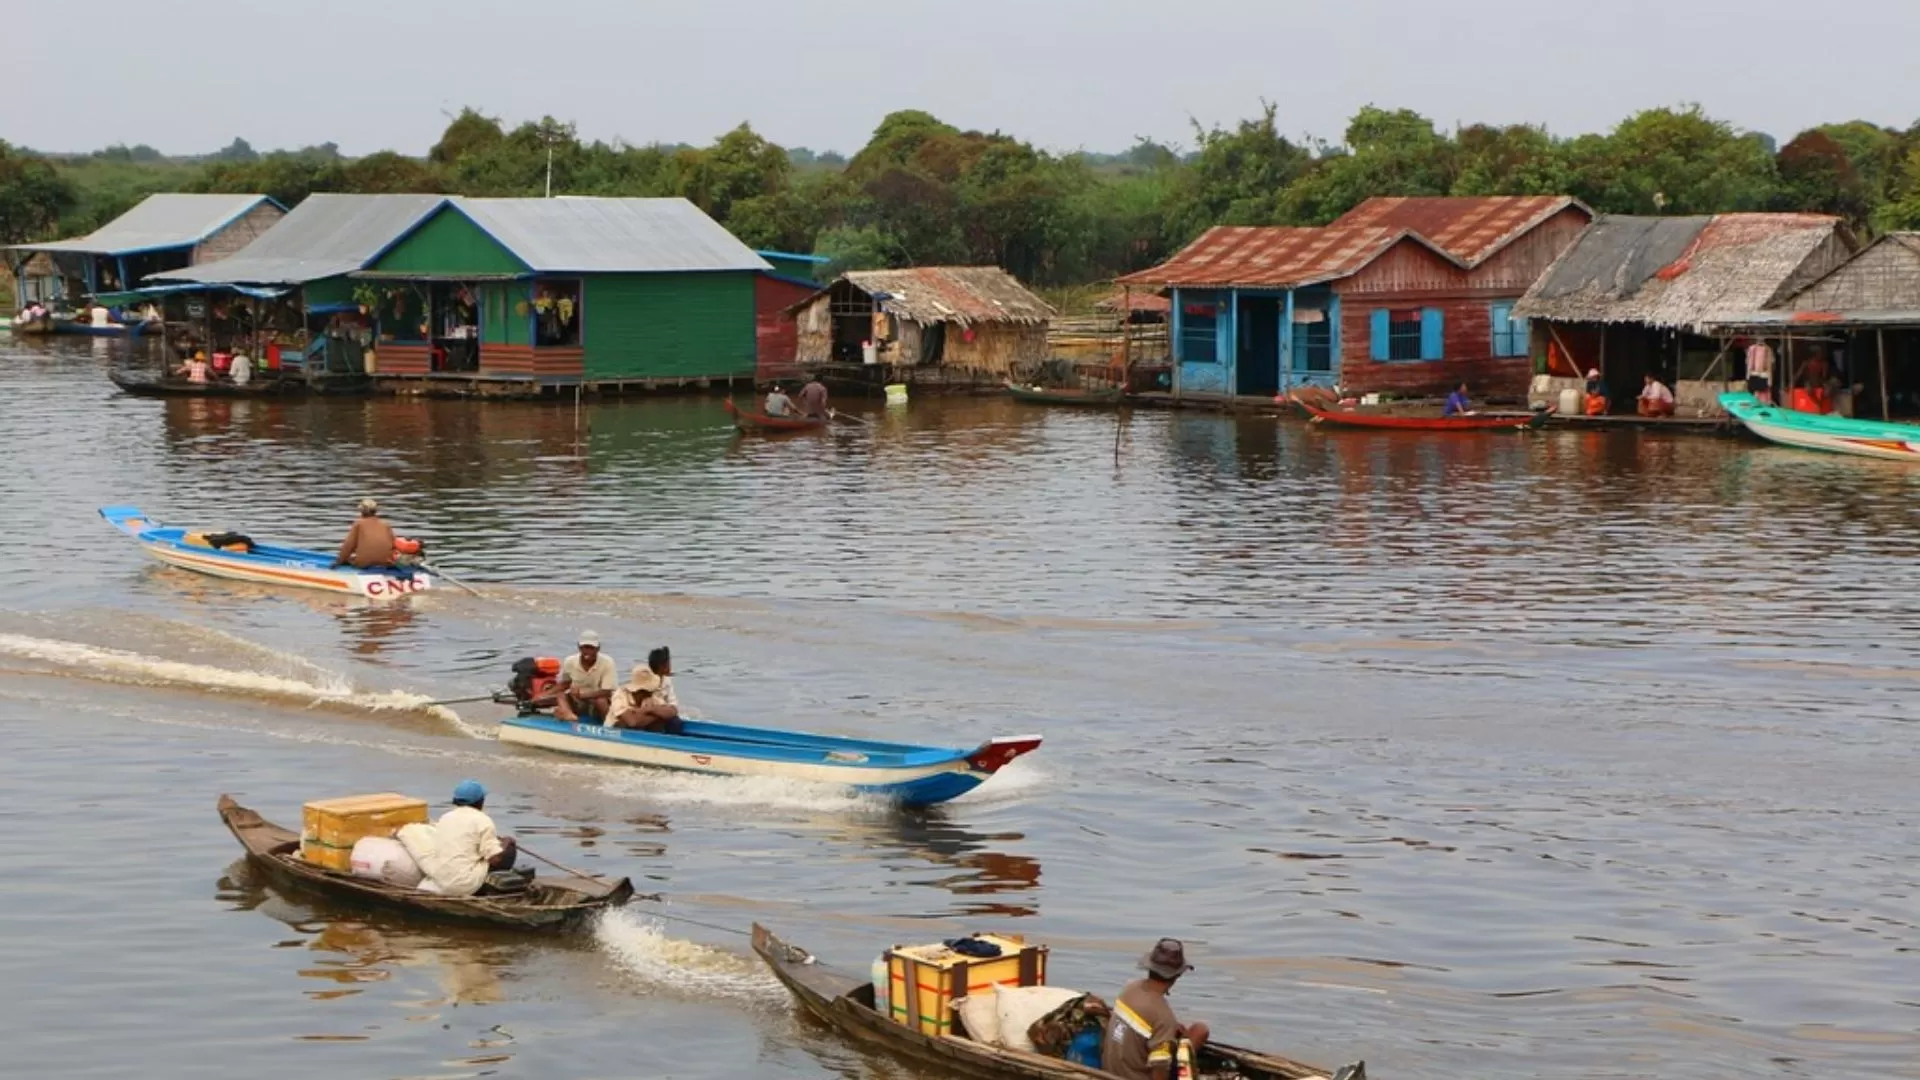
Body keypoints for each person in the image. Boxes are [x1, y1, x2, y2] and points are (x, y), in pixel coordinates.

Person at [1103, 939, 1209, 1080]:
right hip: (1135, 1076)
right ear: (1177, 975)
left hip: (1110, 1069)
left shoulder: (1130, 988)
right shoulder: (1162, 1016)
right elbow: (1159, 1067)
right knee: (1200, 1030)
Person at [397, 780, 517, 897]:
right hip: (465, 884)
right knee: (509, 850)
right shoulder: (483, 820)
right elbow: (494, 859)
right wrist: (506, 843)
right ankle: (489, 890)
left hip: (441, 880)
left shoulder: (445, 818)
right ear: (480, 801)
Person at [552, 631, 616, 723]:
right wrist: (543, 695)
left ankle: (607, 724)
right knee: (561, 695)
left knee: (601, 701)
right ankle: (569, 715)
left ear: (598, 648)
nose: (588, 651)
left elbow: (607, 691)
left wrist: (582, 695)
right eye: (585, 648)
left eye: (591, 648)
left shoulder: (608, 662)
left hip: (598, 699)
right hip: (578, 700)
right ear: (579, 647)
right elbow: (565, 683)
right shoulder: (570, 661)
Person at [608, 664, 681, 733]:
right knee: (624, 724)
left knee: (673, 721)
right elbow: (632, 722)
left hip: (641, 727)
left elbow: (672, 711)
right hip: (614, 732)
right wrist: (656, 715)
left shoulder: (651, 696)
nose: (651, 692)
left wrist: (649, 709)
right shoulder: (620, 695)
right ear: (641, 691)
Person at [334, 498, 397, 569]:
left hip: (364, 564)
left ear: (361, 511)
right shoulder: (385, 524)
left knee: (351, 559)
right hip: (386, 563)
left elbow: (348, 546)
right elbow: (395, 545)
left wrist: (339, 561)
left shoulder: (359, 524)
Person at [1746, 340, 1775, 404]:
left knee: (1760, 391)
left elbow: (1749, 363)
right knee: (1761, 392)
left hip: (1758, 375)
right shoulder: (1766, 349)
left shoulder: (1767, 349)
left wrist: (1748, 376)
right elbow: (1770, 364)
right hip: (1761, 375)